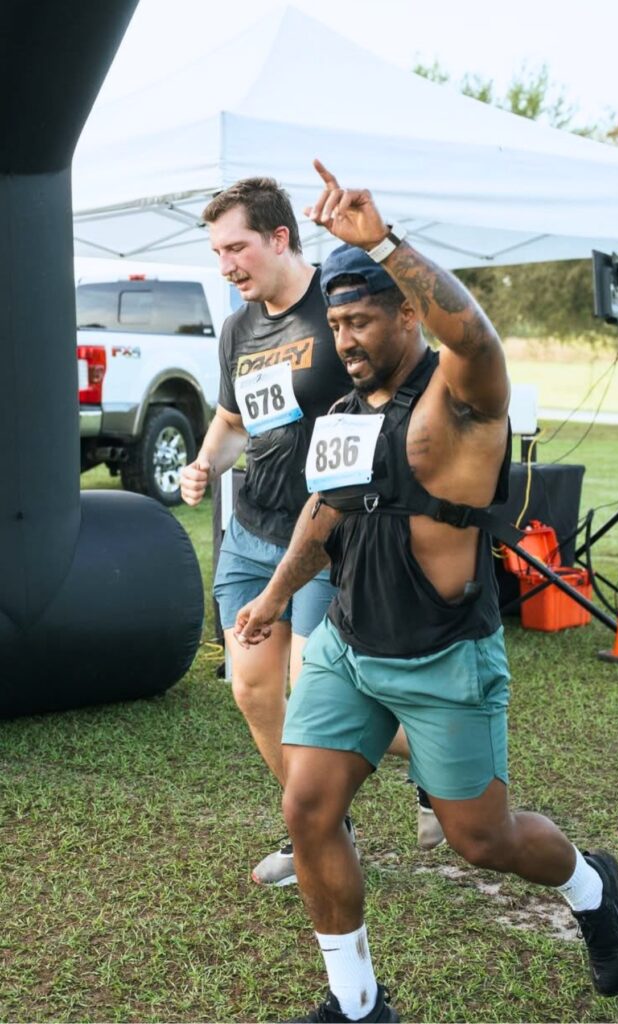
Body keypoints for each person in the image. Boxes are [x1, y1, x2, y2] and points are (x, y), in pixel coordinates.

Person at [234, 161, 618, 1022]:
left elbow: (479, 338)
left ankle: (588, 885)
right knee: (308, 811)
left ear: (408, 315)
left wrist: (381, 241)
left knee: (479, 838)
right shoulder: (345, 411)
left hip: (441, 655)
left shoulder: (461, 398)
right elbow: (324, 512)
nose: (345, 339)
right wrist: (272, 600)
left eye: (361, 321)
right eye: (336, 323)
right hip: (350, 645)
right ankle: (356, 1004)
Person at [180, 177, 441, 887]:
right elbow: (236, 420)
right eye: (216, 252)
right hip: (251, 529)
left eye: (236, 247)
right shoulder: (238, 327)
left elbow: (412, 365)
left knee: (319, 695)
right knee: (255, 689)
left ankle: (435, 758)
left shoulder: (340, 302)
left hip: (330, 535)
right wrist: (204, 463)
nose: (226, 265)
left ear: (279, 238)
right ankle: (320, 830)